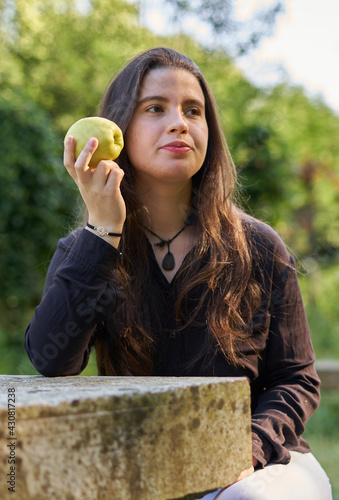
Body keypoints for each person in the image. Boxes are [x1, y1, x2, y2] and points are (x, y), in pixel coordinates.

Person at [24, 47, 332, 499]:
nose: (179, 123)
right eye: (155, 108)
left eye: (194, 110)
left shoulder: (260, 248)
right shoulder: (85, 251)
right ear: (120, 129)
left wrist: (244, 450)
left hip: (262, 465)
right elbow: (52, 361)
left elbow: (296, 379)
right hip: (147, 464)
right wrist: (104, 232)